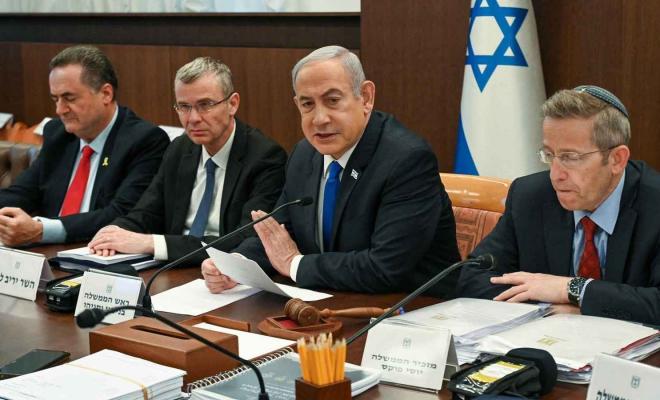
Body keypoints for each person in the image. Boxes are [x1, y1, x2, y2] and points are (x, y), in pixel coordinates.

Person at [201, 45, 460, 296]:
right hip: (333, 299)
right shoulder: (304, 154)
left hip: (415, 308)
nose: (320, 119)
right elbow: (280, 233)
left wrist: (294, 264)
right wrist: (236, 265)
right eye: (307, 104)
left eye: (333, 101)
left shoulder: (406, 160)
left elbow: (385, 267)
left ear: (366, 97)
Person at [457, 85, 660, 325]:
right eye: (549, 155)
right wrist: (549, 309)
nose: (555, 175)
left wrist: (572, 289)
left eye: (570, 157)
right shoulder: (531, 196)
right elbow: (473, 278)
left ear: (617, 159)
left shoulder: (654, 204)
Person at [88, 57, 287, 264]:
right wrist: (113, 233)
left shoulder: (265, 157)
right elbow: (146, 213)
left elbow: (246, 238)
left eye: (205, 105)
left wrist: (152, 243)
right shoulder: (180, 149)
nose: (193, 118)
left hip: (223, 271)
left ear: (232, 104)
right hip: (172, 268)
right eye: (184, 107)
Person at [0, 45, 169, 246]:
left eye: (69, 98)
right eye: (55, 99)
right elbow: (22, 192)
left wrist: (42, 230)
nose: (60, 110)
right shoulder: (58, 133)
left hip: (100, 251)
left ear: (106, 94)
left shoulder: (144, 140)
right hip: (48, 251)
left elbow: (122, 214)